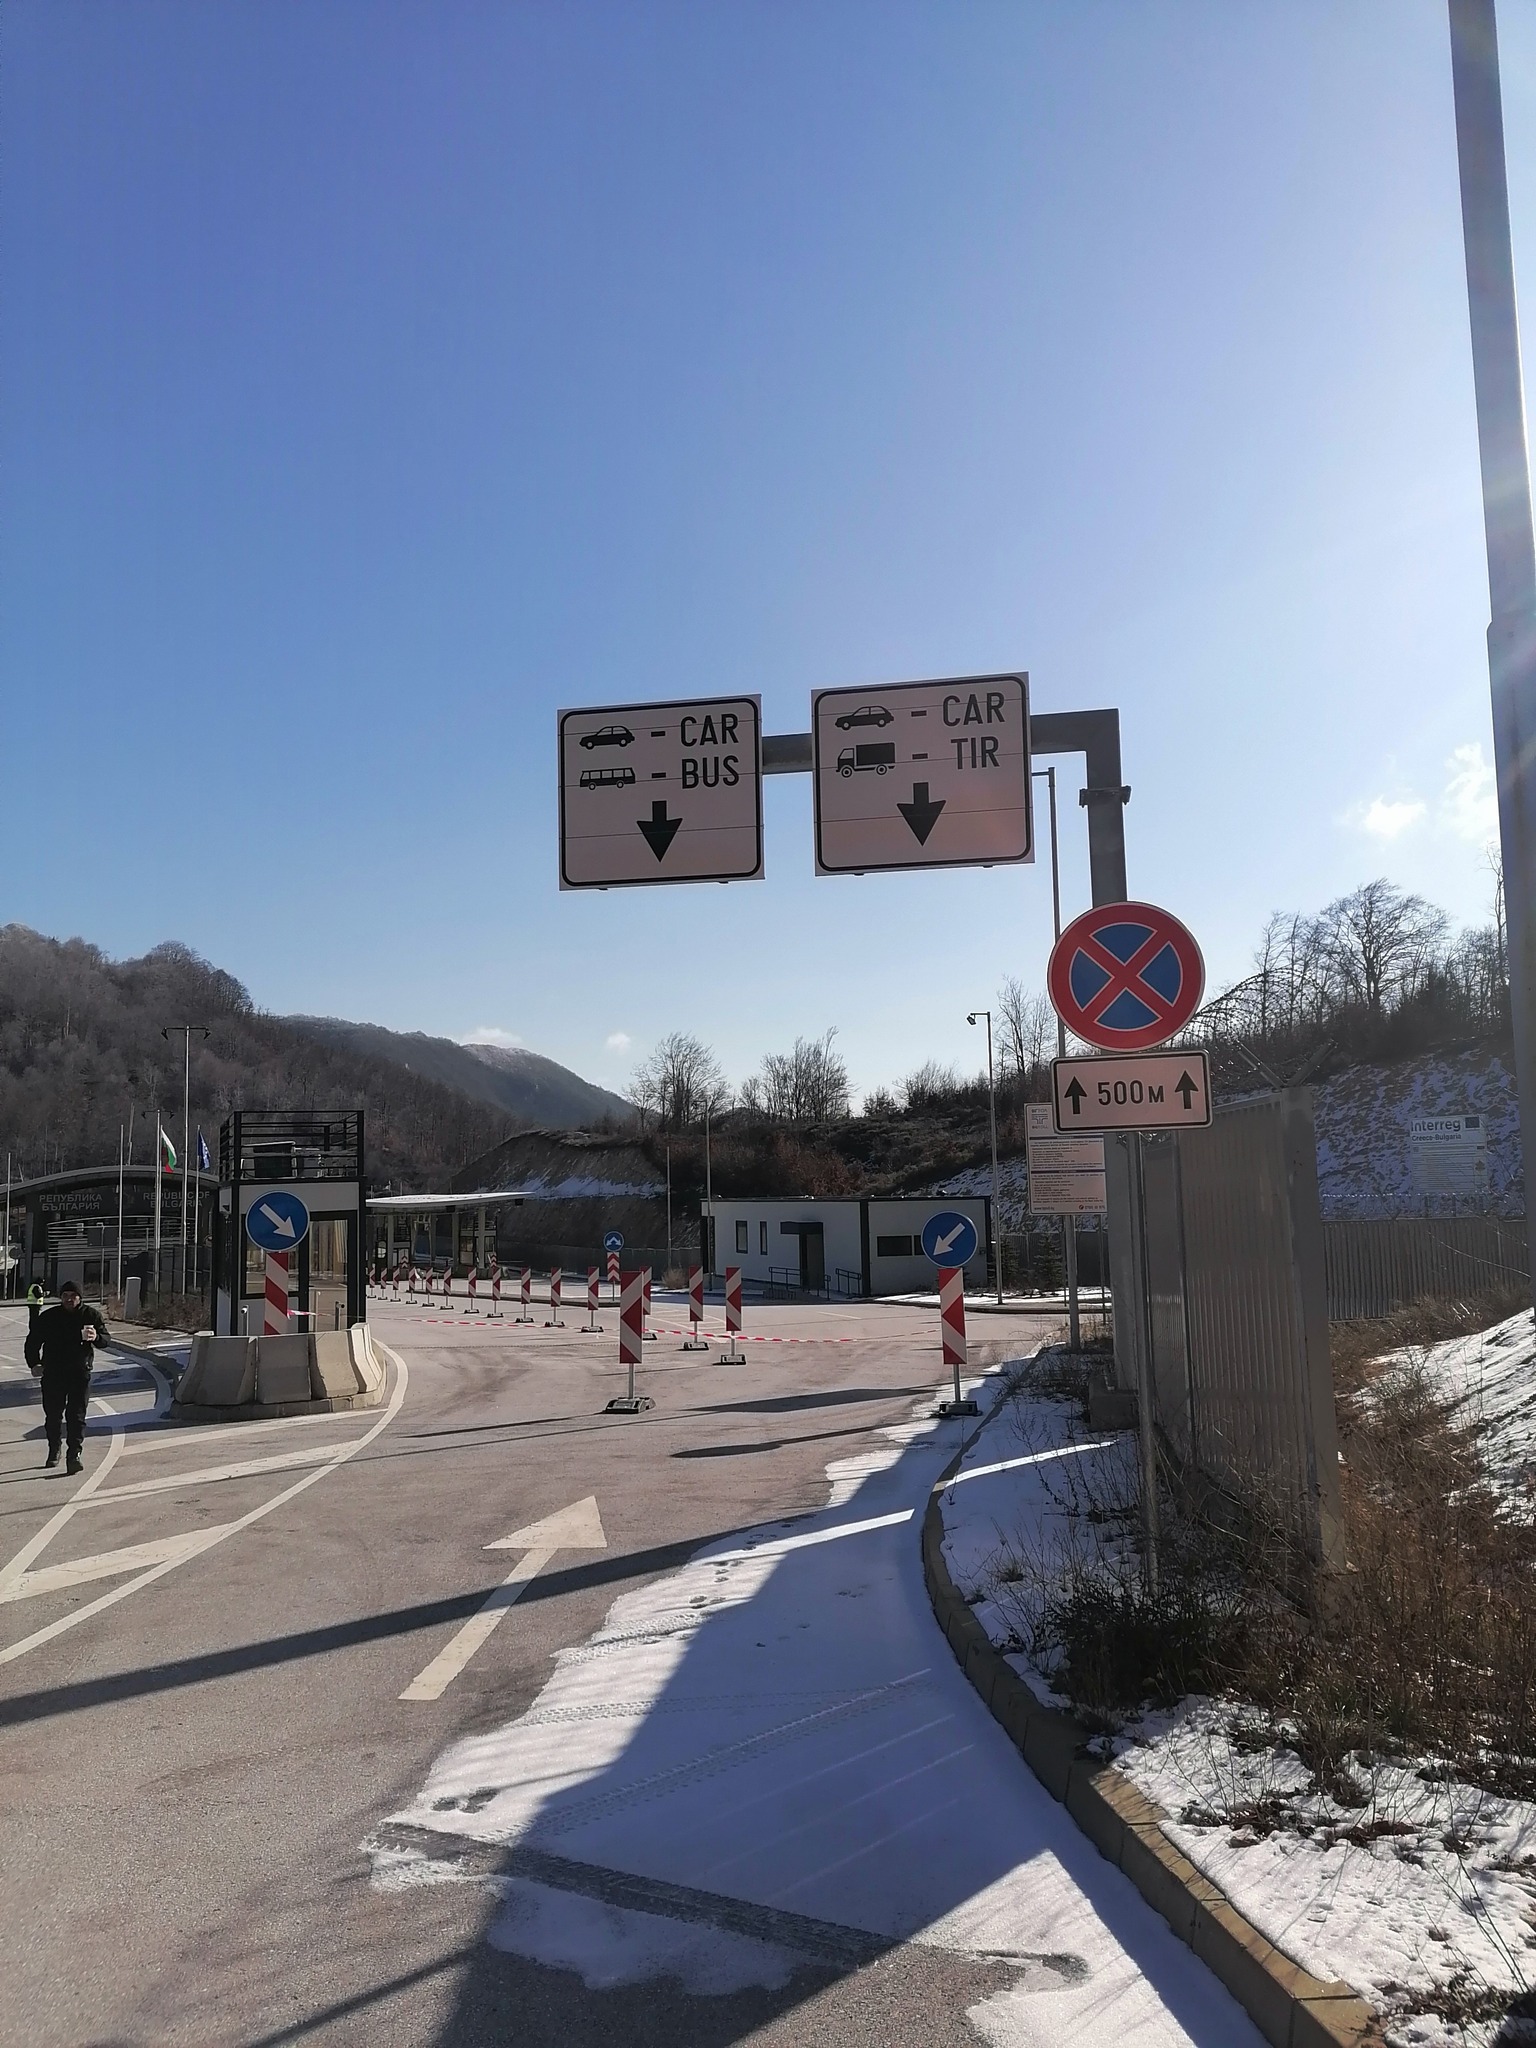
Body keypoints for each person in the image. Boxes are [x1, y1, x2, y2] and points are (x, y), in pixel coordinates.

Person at [24, 1280, 108, 1475]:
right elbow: (33, 1341)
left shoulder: (90, 1315)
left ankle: (74, 1455)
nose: (69, 1299)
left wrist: (96, 1337)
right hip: (53, 1373)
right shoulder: (49, 1317)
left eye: (73, 1296)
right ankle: (54, 1448)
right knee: (53, 1415)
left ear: (80, 1297)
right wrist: (34, 1363)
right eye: (65, 1296)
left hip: (79, 1373)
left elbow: (106, 1339)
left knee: (76, 1415)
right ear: (61, 1298)